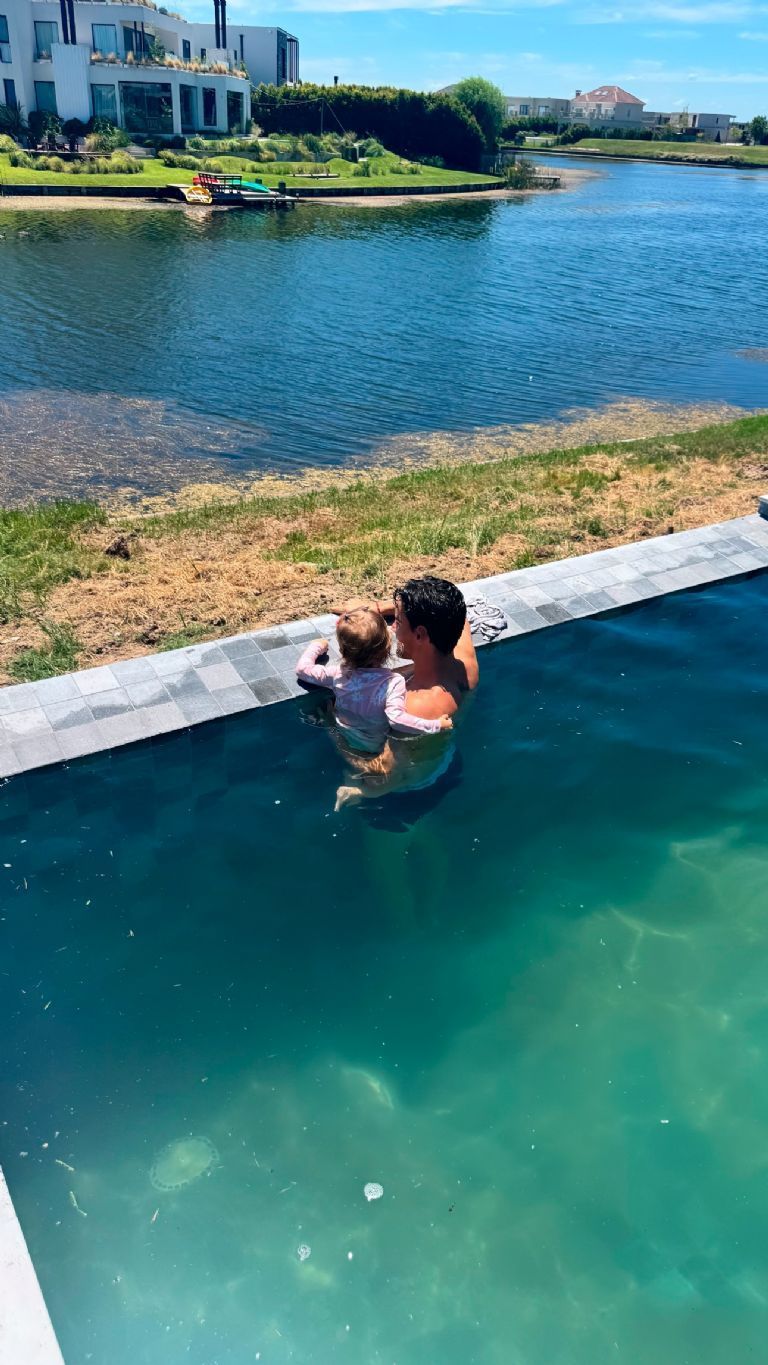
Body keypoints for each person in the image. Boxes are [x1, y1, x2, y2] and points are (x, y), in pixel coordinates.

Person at [296, 606, 453, 809]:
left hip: (343, 737)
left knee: (335, 724)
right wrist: (436, 725)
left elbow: (302, 670)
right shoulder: (392, 682)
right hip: (374, 748)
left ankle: (352, 783)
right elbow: (397, 719)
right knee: (400, 776)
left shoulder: (337, 675)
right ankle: (357, 791)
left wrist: (316, 646)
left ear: (343, 651)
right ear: (387, 650)